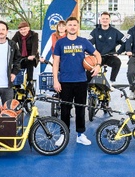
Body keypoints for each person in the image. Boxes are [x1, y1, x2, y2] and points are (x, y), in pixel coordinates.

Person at [52, 17, 102, 146]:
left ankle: (80, 135)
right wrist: (56, 81)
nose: (72, 27)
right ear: (66, 27)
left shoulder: (84, 42)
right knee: (65, 109)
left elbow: (97, 54)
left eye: (75, 25)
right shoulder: (60, 43)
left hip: (81, 80)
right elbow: (56, 62)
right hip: (65, 81)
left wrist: (98, 65)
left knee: (80, 109)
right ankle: (63, 135)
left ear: (78, 27)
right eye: (70, 25)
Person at [88, 12, 125, 83]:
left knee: (117, 62)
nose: (105, 20)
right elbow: (89, 43)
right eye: (103, 18)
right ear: (100, 20)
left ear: (109, 20)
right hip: (98, 56)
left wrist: (118, 52)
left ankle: (112, 82)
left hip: (110, 56)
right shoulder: (95, 31)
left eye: (107, 19)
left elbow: (125, 42)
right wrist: (89, 52)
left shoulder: (114, 32)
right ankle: (88, 86)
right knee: (89, 68)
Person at [11, 21, 39, 86]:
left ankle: (30, 81)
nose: (23, 31)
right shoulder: (18, 34)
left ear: (28, 28)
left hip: (31, 55)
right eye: (21, 30)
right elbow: (12, 43)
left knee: (30, 63)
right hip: (22, 55)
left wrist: (33, 55)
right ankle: (17, 82)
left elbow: (35, 46)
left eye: (24, 29)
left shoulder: (34, 34)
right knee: (17, 65)